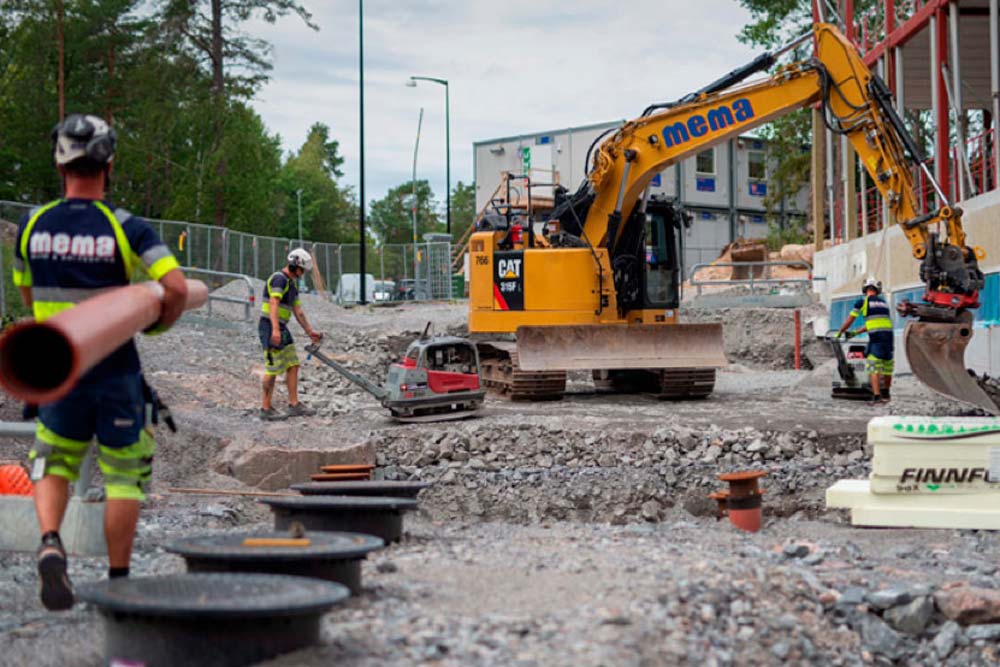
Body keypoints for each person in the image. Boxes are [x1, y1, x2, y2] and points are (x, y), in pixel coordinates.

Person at [11, 113, 188, 611]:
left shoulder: (32, 225)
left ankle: (50, 540)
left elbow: (27, 296)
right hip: (115, 372)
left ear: (59, 161)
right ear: (109, 163)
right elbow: (174, 287)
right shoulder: (126, 227)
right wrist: (155, 321)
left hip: (54, 367)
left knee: (53, 460)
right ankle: (118, 579)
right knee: (122, 476)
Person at [259, 249, 322, 420]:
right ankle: (265, 409)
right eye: (302, 270)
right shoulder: (279, 279)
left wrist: (310, 332)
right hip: (270, 327)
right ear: (295, 265)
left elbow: (298, 311)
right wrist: (275, 330)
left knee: (293, 364)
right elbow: (273, 302)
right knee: (272, 368)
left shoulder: (291, 284)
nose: (302, 274)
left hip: (281, 327)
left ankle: (294, 404)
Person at [836, 277, 894, 404]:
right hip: (889, 337)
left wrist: (840, 332)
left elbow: (850, 319)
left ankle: (877, 397)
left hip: (877, 338)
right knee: (887, 367)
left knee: (873, 366)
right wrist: (856, 332)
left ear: (865, 289)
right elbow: (874, 323)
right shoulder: (884, 303)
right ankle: (886, 395)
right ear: (877, 290)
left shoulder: (862, 302)